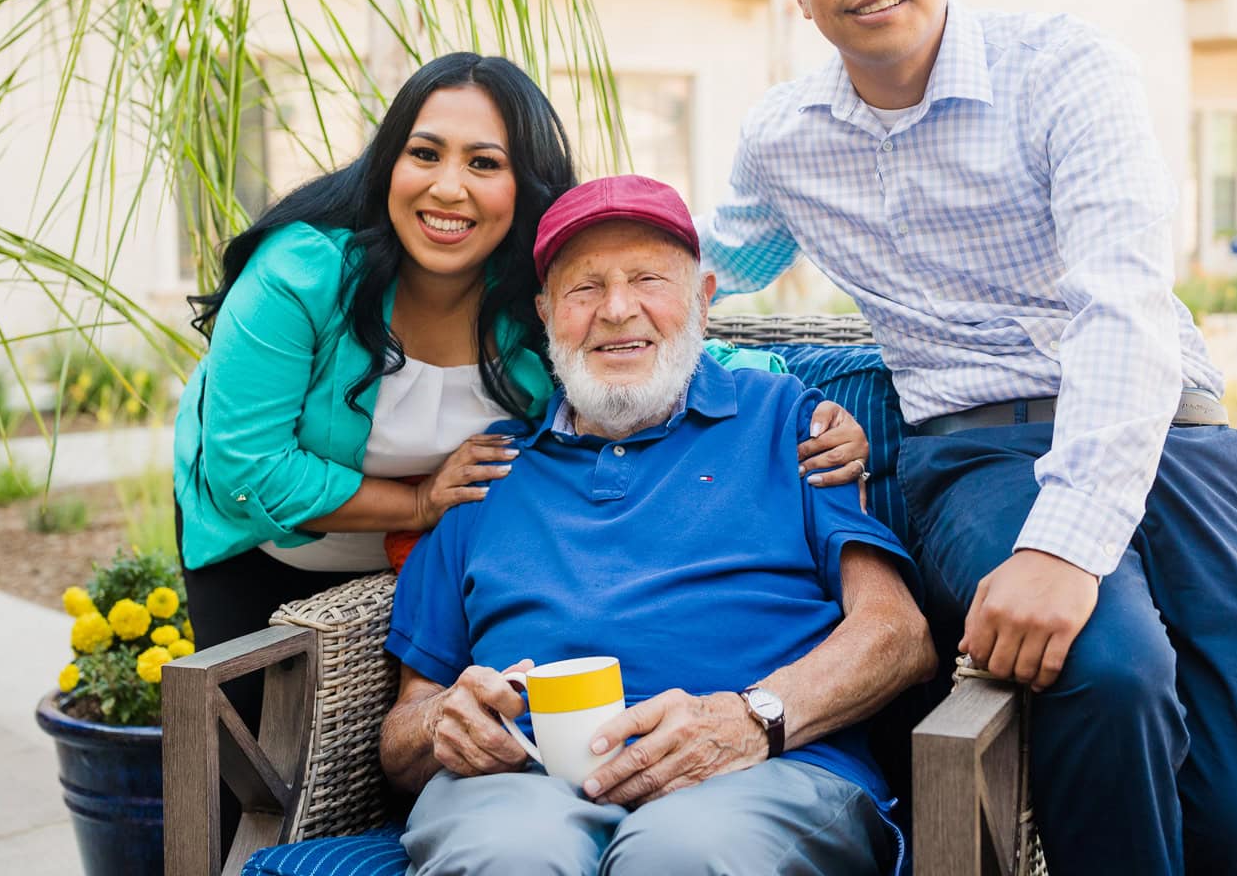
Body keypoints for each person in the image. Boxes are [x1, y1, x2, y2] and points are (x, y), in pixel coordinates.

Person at [698, 0, 1237, 876]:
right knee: (1105, 667)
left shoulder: (1064, 69)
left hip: (1175, 438)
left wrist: (1069, 544)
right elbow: (696, 276)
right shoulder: (784, 140)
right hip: (978, 462)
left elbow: (1123, 301)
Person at [172, 55, 869, 724]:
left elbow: (667, 345)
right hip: (269, 547)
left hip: (437, 563)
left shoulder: (531, 304)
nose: (449, 187)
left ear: (524, 187)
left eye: (484, 163)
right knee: (243, 765)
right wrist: (416, 500)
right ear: (388, 163)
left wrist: (808, 409)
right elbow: (247, 469)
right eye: (425, 154)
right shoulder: (300, 274)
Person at [378, 175, 936, 875]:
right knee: (509, 858)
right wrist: (441, 726)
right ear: (547, 313)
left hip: (760, 771)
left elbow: (898, 634)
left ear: (702, 299)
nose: (617, 310)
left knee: (680, 857)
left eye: (649, 279)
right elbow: (403, 732)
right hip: (523, 787)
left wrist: (754, 717)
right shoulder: (487, 471)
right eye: (585, 288)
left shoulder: (790, 423)